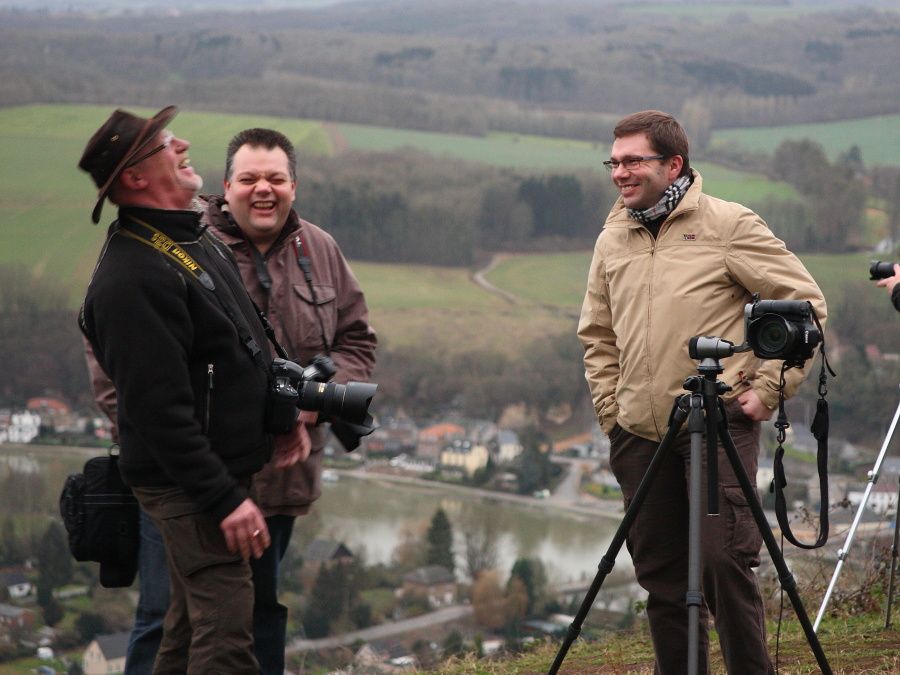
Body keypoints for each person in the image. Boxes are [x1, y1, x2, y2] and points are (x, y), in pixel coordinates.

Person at [86, 127, 377, 674]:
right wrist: (210, 486)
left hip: (265, 472)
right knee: (194, 623)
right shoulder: (147, 266)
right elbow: (140, 398)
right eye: (249, 178)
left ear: (295, 185)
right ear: (226, 186)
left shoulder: (199, 241)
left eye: (276, 178)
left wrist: (294, 412)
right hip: (191, 478)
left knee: (226, 617)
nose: (263, 189)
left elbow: (298, 346)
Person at [577, 110, 827, 673]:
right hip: (638, 432)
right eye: (613, 162)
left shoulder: (728, 225)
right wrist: (611, 411)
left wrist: (769, 388)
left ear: (674, 164)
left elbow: (806, 308)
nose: (620, 172)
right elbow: (596, 333)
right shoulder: (613, 235)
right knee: (663, 576)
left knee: (721, 564)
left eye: (633, 160)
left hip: (716, 425)